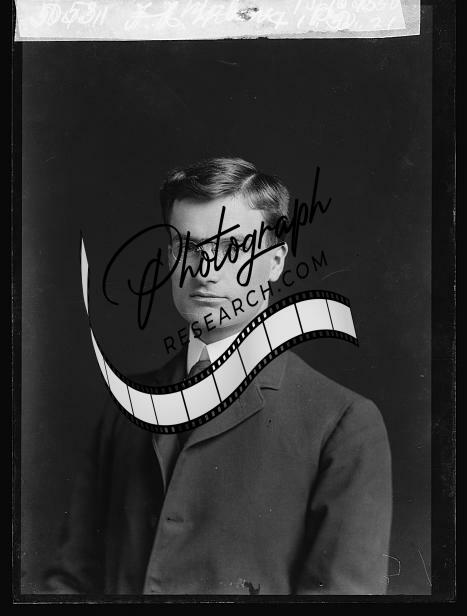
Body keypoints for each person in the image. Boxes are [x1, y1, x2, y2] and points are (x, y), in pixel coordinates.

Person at [45, 157, 392, 595]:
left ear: (275, 262)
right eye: (187, 246)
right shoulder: (125, 405)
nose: (205, 269)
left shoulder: (343, 423)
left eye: (232, 248)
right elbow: (70, 584)